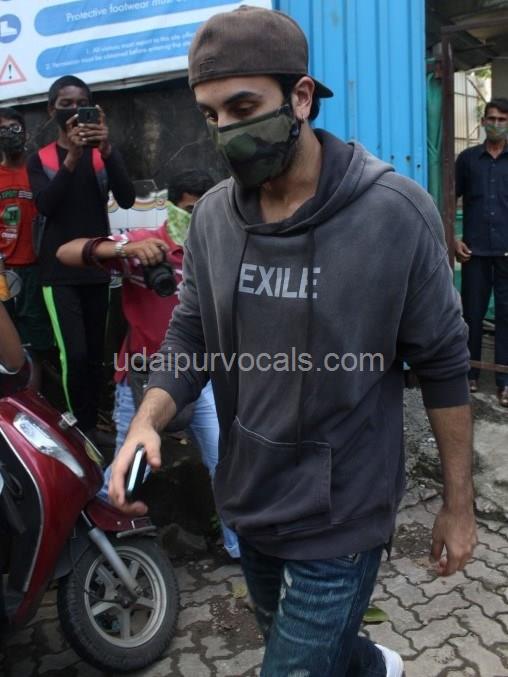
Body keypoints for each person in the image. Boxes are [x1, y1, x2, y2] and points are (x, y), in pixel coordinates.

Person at [110, 7, 477, 676]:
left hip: (343, 512)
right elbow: (191, 335)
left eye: (244, 107)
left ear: (301, 97)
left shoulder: (394, 212)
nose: (226, 130)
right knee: (314, 649)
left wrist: (458, 505)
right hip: (250, 497)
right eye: (211, 114)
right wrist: (146, 421)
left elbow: (445, 363)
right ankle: (376, 667)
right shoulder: (213, 217)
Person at [56, 180, 240, 560]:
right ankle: (85, 546)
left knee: (225, 463)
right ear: (171, 209)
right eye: (188, 211)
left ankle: (238, 550)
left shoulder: (221, 249)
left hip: (199, 377)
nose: (197, 219)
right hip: (141, 378)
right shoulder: (146, 246)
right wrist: (125, 248)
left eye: (204, 210)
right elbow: (64, 253)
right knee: (126, 470)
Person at [27, 76, 135, 437]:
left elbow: (127, 198)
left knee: (95, 356)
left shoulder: (102, 156)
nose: (74, 110)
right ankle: (82, 431)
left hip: (96, 267)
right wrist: (72, 157)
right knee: (72, 355)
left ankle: (91, 424)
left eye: (82, 103)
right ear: (51, 110)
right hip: (57, 273)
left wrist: (107, 149)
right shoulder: (40, 159)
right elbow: (46, 205)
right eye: (66, 104)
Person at [455, 97, 508, 407]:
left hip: (506, 254)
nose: (496, 124)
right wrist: (453, 238)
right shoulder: (468, 160)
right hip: (473, 253)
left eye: (502, 119)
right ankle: (470, 374)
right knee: (471, 315)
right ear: (483, 121)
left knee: (506, 316)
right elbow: (450, 197)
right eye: (492, 118)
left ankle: (504, 381)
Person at [0, 107, 53, 389]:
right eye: (2, 130)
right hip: (2, 272)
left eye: (14, 128)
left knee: (38, 342)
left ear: (25, 133)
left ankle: (37, 400)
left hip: (36, 270)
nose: (9, 135)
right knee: (9, 339)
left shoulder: (39, 171)